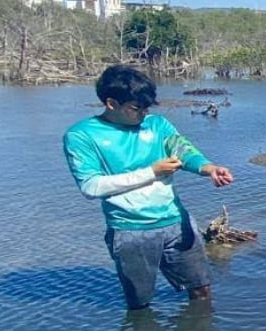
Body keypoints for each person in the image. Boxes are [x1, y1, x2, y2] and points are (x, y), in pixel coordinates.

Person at [63, 64, 233, 310]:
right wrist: (152, 172)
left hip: (176, 222)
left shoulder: (157, 125)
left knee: (202, 290)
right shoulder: (82, 135)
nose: (143, 113)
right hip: (130, 231)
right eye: (136, 108)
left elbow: (183, 150)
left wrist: (209, 169)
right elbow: (91, 187)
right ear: (111, 103)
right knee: (140, 305)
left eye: (147, 107)